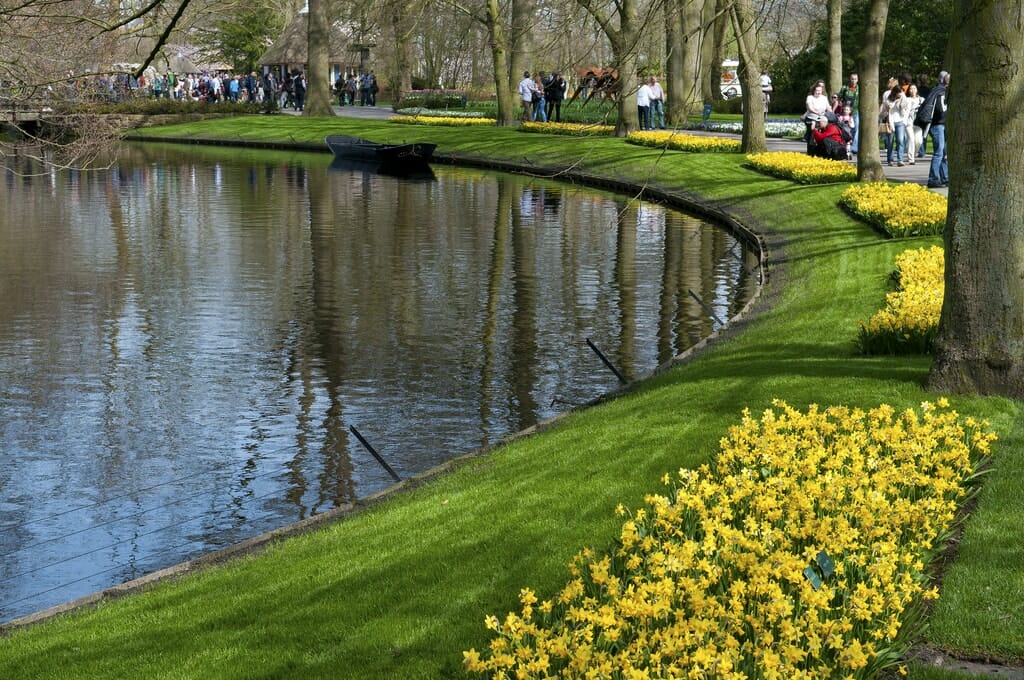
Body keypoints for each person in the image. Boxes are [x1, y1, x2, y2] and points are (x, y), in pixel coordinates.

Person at [927, 71, 949, 188]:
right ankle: (933, 179)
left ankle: (945, 178)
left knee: (943, 152)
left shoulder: (939, 90)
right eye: (947, 77)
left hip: (941, 125)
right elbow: (941, 109)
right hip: (937, 125)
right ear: (942, 79)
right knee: (939, 152)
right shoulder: (939, 91)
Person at [803, 80, 830, 151]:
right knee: (812, 131)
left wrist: (831, 112)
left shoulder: (824, 98)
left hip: (822, 116)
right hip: (812, 116)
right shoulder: (810, 97)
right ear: (814, 90)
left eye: (820, 91)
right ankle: (810, 149)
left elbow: (828, 107)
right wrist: (817, 113)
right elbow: (809, 107)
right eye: (817, 90)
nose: (818, 92)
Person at [838, 72, 860, 154]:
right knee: (845, 129)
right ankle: (844, 145)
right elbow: (839, 97)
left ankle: (854, 147)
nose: (853, 80)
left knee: (856, 129)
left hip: (855, 112)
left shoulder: (859, 89)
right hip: (846, 113)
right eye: (852, 79)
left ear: (857, 80)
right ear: (850, 79)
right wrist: (840, 103)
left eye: (855, 79)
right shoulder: (845, 88)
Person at [878, 77, 898, 165]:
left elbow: (883, 104)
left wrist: (881, 115)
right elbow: (884, 104)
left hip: (890, 116)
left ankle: (891, 158)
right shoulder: (887, 93)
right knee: (891, 138)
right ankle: (891, 158)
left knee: (891, 138)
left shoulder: (888, 93)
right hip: (890, 117)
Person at [904, 84, 923, 165]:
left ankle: (913, 154)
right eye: (911, 89)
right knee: (911, 140)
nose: (913, 90)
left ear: (917, 90)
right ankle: (911, 158)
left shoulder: (921, 99)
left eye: (914, 88)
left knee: (918, 141)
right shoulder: (907, 100)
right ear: (909, 91)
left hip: (918, 123)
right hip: (909, 122)